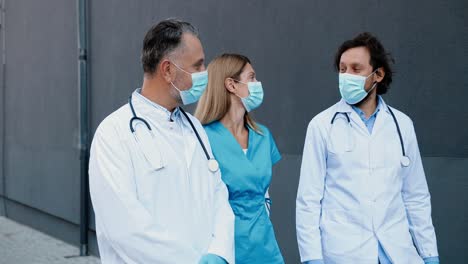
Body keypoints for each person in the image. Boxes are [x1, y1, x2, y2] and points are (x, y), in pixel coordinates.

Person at [88, 19, 234, 264]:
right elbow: (124, 228)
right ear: (168, 70)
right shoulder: (113, 134)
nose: (205, 73)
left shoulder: (195, 128)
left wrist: (219, 252)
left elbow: (219, 195)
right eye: (198, 66)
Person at [296, 32, 439, 264]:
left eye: (356, 68)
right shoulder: (322, 125)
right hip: (344, 252)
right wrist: (312, 258)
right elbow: (308, 201)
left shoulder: (402, 125)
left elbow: (416, 196)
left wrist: (429, 253)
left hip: (397, 252)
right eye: (342, 69)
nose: (346, 76)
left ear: (378, 74)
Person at [195, 53, 284, 263]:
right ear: (231, 85)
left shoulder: (262, 136)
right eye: (251, 77)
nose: (257, 84)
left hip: (264, 246)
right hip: (224, 248)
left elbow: (264, 193)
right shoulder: (202, 138)